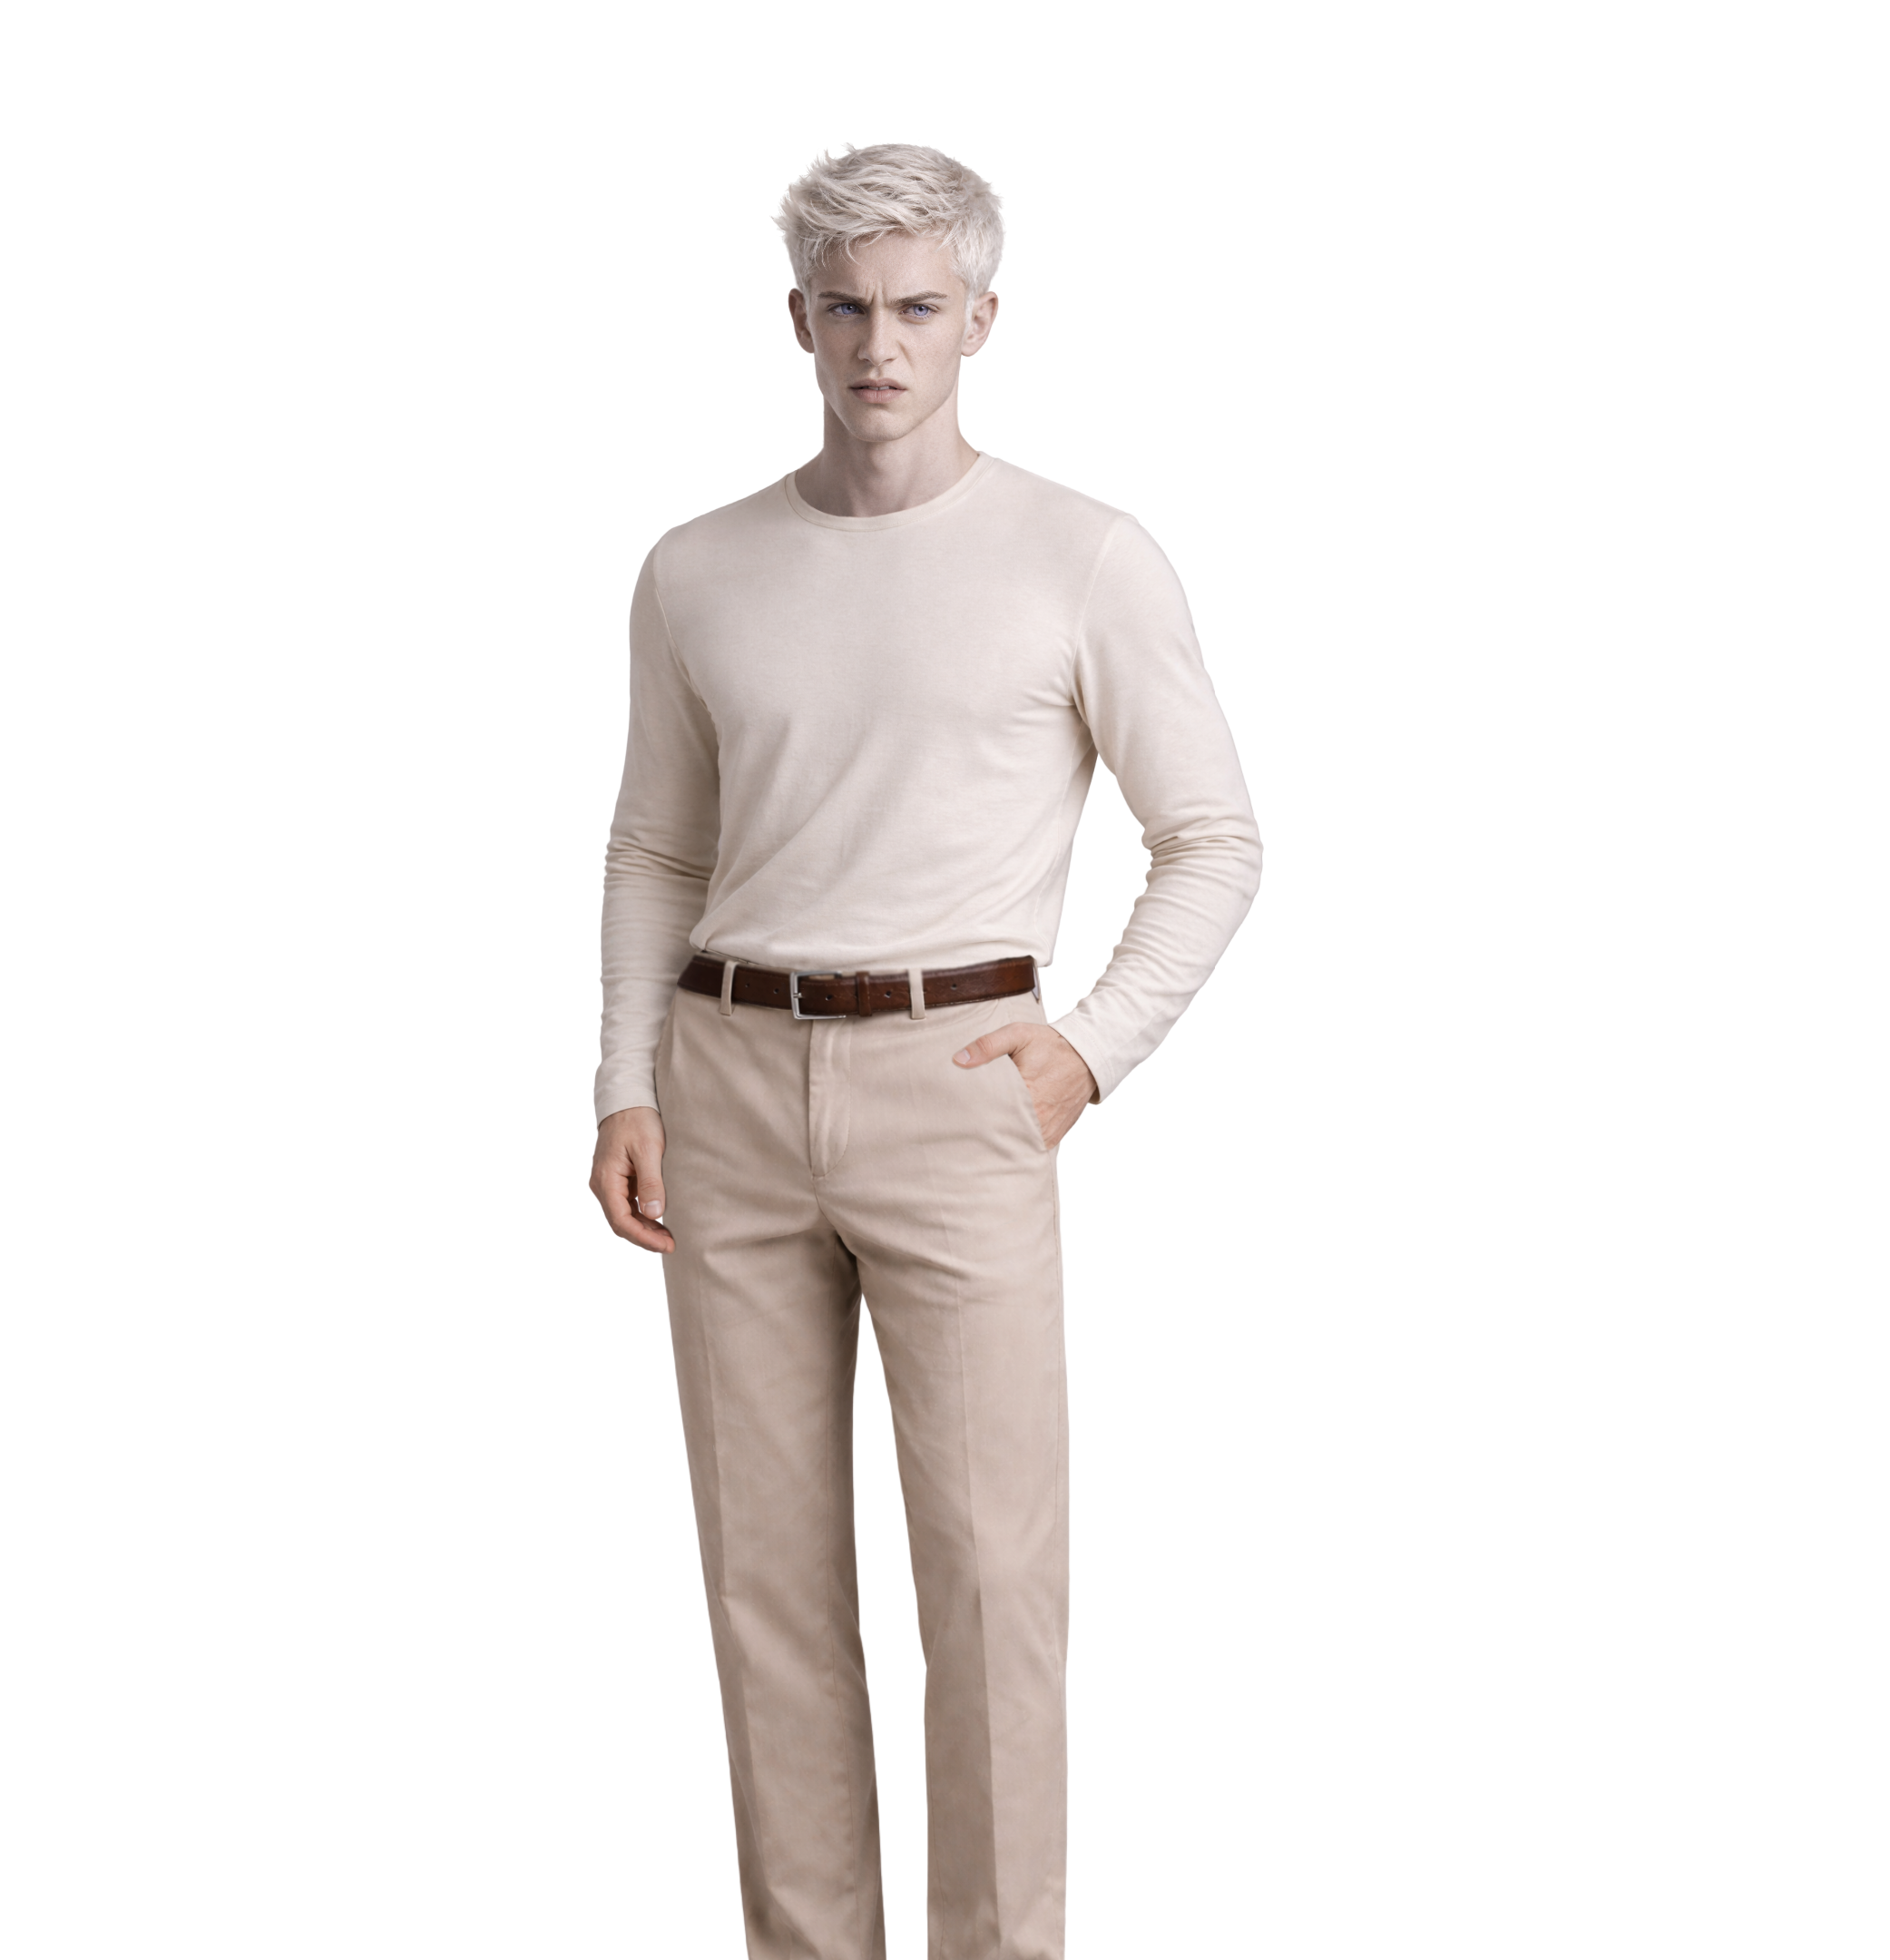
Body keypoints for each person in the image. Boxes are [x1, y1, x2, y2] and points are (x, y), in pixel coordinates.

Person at [587, 142, 1263, 1960]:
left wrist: (1084, 1056)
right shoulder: (696, 566)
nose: (877, 347)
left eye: (913, 308)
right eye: (843, 309)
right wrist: (626, 1081)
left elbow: (1213, 839)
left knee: (987, 1580)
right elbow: (655, 848)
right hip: (727, 1082)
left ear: (980, 317)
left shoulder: (1082, 554)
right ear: (795, 320)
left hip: (960, 1079)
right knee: (766, 1589)